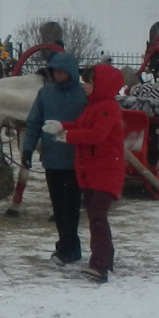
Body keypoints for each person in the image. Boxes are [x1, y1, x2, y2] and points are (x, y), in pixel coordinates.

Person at [44, 62, 128, 283]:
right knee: (95, 216)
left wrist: (67, 136)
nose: (84, 85)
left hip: (106, 172)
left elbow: (96, 135)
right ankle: (105, 259)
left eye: (88, 81)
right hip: (93, 172)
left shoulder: (107, 107)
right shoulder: (93, 106)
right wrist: (61, 125)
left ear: (101, 84)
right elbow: (80, 125)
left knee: (98, 217)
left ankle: (100, 265)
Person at [20, 51, 87, 265]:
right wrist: (28, 150)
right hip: (52, 159)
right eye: (54, 70)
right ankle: (67, 245)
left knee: (71, 205)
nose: (57, 74)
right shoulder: (45, 94)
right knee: (58, 206)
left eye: (61, 70)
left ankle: (68, 247)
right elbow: (33, 123)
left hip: (75, 159)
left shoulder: (83, 95)